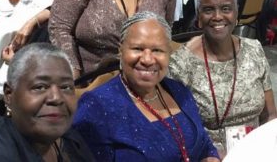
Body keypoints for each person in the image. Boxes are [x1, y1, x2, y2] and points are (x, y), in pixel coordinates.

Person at [73, 11, 220, 162]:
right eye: (138, 48)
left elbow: (204, 145)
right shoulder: (95, 106)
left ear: (169, 53)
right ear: (120, 50)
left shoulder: (180, 91)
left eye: (157, 50)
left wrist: (211, 157)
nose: (148, 59)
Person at [169, 0, 277, 158]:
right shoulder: (181, 64)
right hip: (208, 155)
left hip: (256, 149)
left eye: (226, 8)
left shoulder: (254, 50)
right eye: (208, 10)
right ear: (199, 16)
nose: (217, 16)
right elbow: (179, 131)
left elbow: (270, 114)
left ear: (236, 13)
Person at [0, 43, 95, 161]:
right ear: (9, 95)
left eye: (66, 87)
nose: (56, 97)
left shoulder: (69, 139)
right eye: (40, 87)